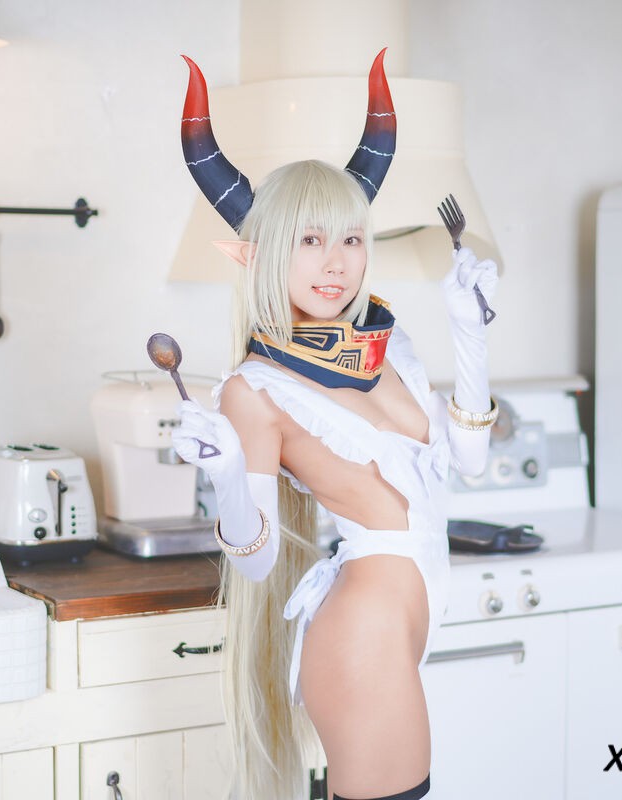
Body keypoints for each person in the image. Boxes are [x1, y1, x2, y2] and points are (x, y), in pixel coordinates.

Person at [171, 50, 498, 800]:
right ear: (258, 254)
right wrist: (226, 474)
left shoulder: (385, 341)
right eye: (310, 240)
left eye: (350, 238)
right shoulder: (254, 388)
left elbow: (470, 461)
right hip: (362, 633)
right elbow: (257, 563)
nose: (336, 263)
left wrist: (469, 331)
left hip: (409, 617)